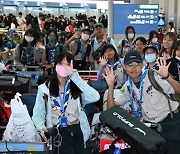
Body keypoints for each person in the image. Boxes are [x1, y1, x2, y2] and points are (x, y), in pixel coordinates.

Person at [103, 50, 180, 154]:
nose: (134, 68)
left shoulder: (154, 76)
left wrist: (167, 77)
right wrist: (111, 86)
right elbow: (111, 110)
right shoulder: (128, 86)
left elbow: (178, 90)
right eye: (130, 65)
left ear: (143, 65)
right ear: (124, 68)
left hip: (171, 123)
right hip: (152, 128)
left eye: (137, 64)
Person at [32, 52, 100, 153]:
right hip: (58, 131)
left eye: (68, 64)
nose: (64, 67)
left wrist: (75, 77)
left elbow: (95, 97)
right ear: (55, 66)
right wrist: (43, 129)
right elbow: (37, 114)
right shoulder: (45, 89)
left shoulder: (78, 85)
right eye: (60, 63)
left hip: (78, 129)